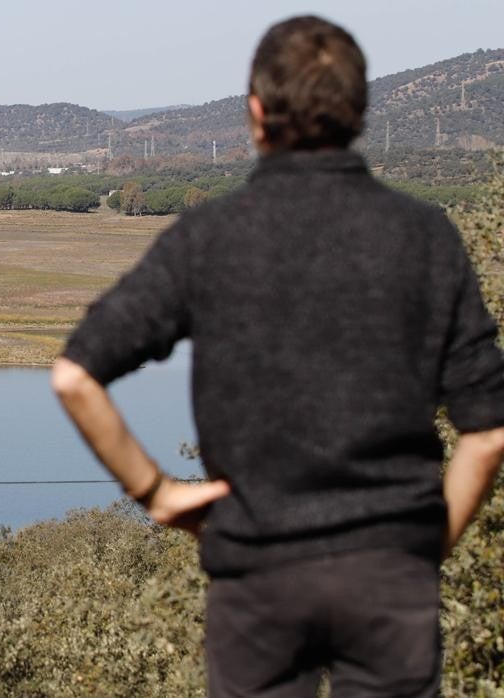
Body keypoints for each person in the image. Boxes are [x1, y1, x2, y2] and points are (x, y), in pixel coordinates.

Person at [52, 15, 504, 697]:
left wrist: (158, 494)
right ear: (359, 114)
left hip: (257, 582)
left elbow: (75, 374)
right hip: (390, 577)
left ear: (255, 112)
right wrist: (424, 544)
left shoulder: (210, 238)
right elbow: (489, 430)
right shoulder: (426, 236)